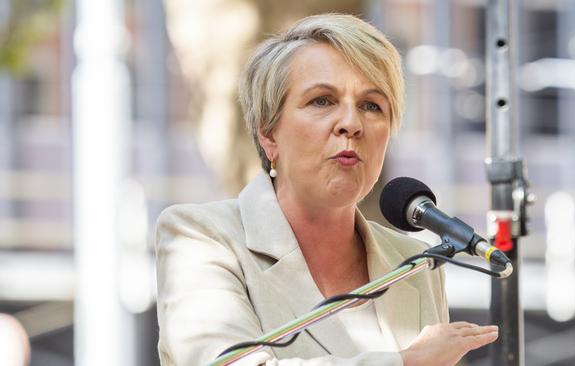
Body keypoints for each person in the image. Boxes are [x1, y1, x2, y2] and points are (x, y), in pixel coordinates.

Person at [155, 13, 498, 366]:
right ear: (268, 134)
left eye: (371, 106)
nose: (351, 123)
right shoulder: (200, 237)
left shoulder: (412, 262)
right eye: (322, 101)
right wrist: (405, 362)